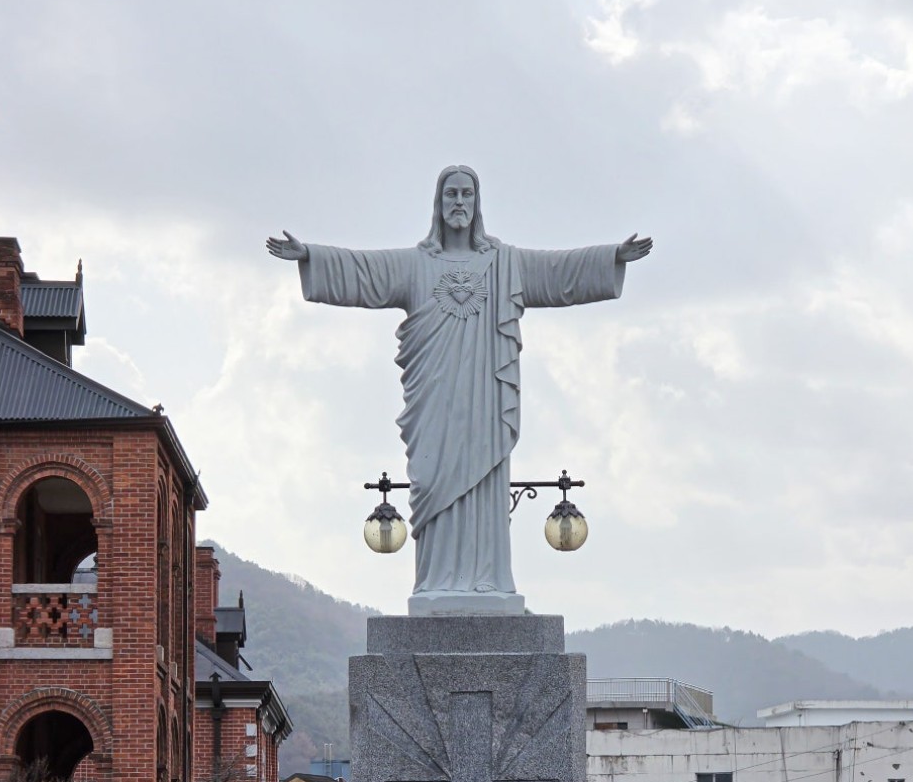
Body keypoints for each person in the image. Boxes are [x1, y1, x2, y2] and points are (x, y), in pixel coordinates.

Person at [267, 166, 652, 610]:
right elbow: (363, 271)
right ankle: (436, 580)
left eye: (466, 194)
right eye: (451, 194)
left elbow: (557, 270)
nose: (458, 202)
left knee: (486, 479)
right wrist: (310, 256)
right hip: (434, 399)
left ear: (477, 203)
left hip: (485, 398)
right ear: (438, 202)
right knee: (432, 477)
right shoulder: (416, 264)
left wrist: (612, 257)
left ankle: (487, 579)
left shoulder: (503, 262)